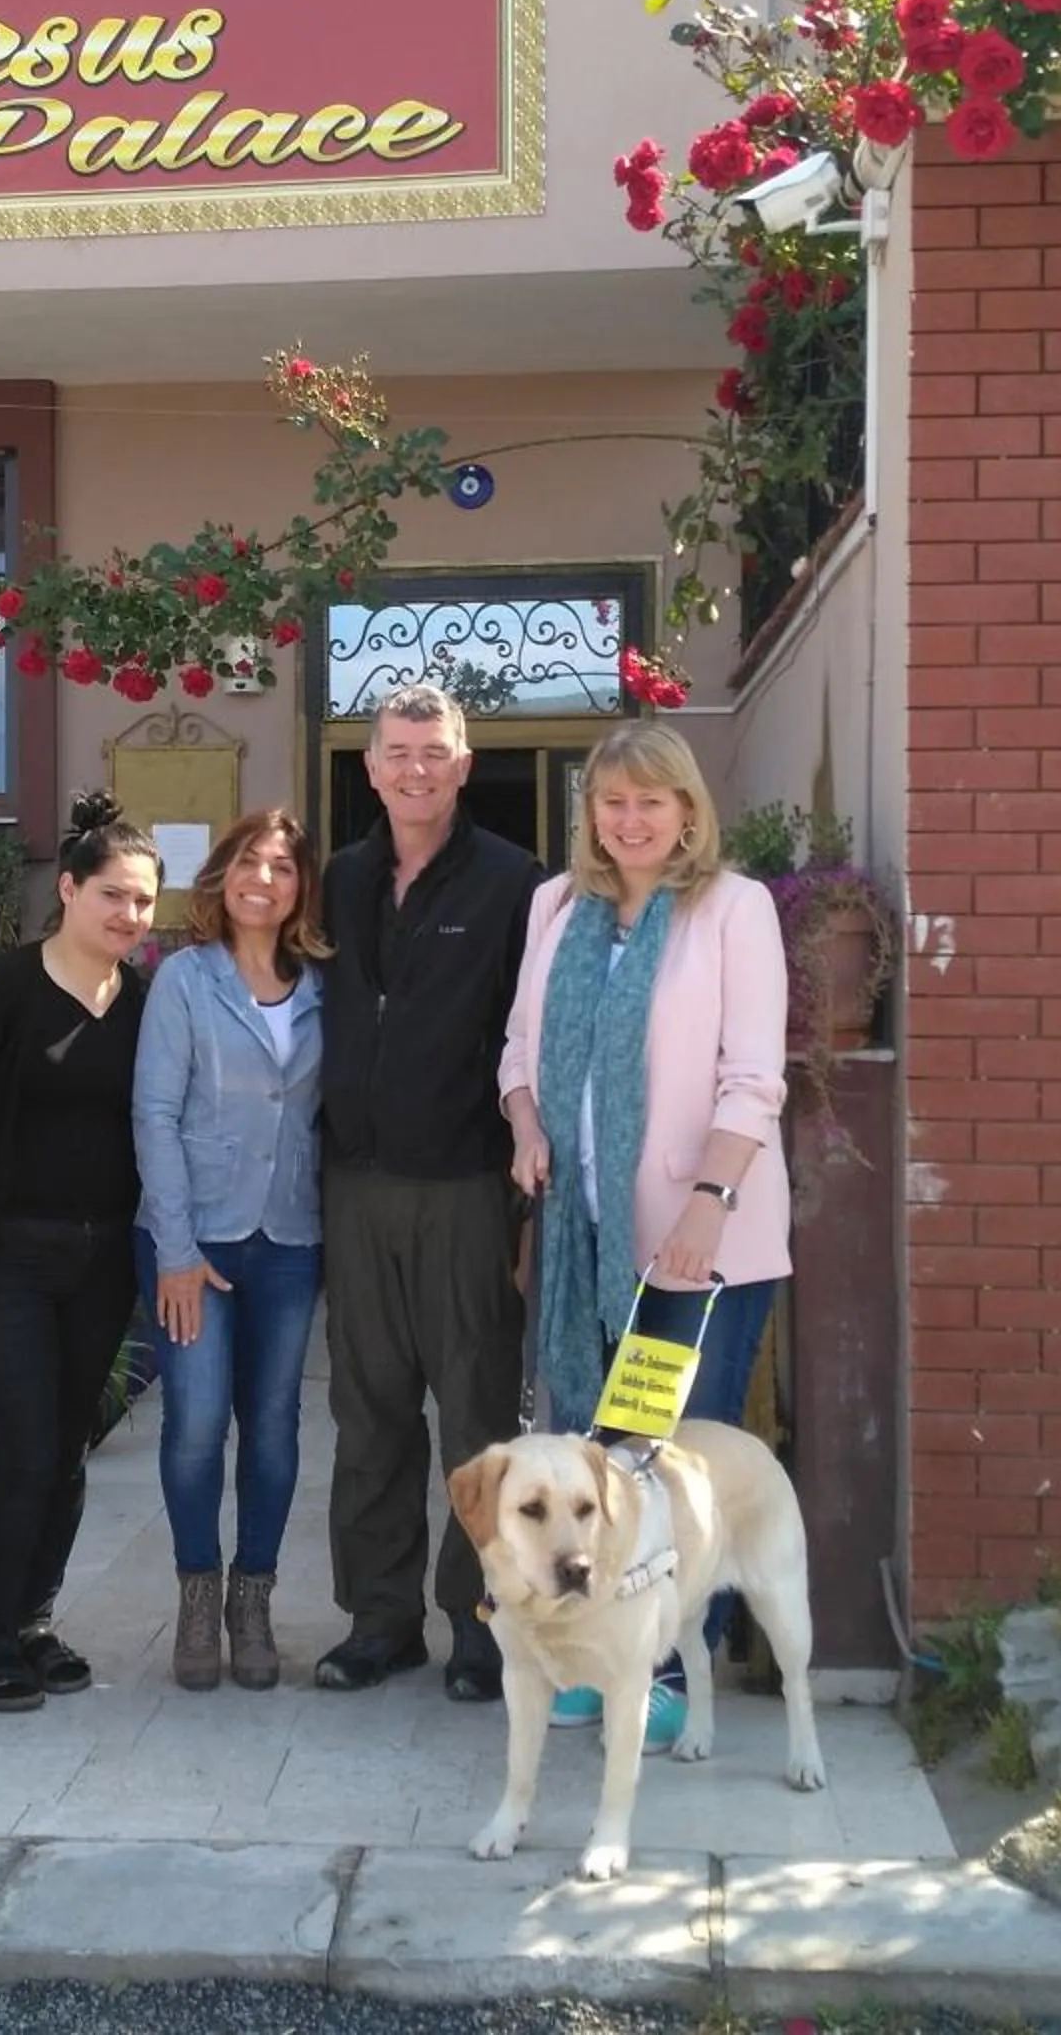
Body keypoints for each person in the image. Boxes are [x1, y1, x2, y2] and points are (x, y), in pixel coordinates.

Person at [497, 719, 793, 1755]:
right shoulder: (554, 907)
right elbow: (519, 1050)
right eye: (612, 803)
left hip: (692, 1251)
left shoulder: (733, 910)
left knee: (672, 1471)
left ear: (687, 812)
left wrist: (709, 1201)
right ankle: (596, 1658)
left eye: (650, 802)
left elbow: (754, 1078)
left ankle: (673, 1671)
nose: (630, 821)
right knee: (592, 1460)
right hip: (583, 1238)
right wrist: (527, 1126)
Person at [315, 681, 543, 1702]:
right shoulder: (343, 877)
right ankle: (381, 1619)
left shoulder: (516, 883)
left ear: (464, 763)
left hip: (465, 1188)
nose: (415, 767)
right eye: (397, 751)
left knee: (478, 1415)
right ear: (370, 767)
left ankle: (481, 1621)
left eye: (434, 751)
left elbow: (530, 1040)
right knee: (368, 1413)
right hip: (358, 1186)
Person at [0, 790, 160, 1714]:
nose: (129, 916)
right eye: (112, 895)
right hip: (3, 1258)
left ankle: (35, 1622)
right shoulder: (3, 990)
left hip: (101, 1261)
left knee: (66, 1449)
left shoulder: (144, 1001)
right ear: (67, 890)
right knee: (24, 1447)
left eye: (144, 901)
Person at [131, 807, 330, 1692]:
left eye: (283, 867)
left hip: (288, 1235)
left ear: (300, 888)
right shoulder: (184, 978)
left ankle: (253, 1601)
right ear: (222, 876)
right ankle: (197, 1596)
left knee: (275, 1429)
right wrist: (175, 1248)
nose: (265, 879)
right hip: (193, 1237)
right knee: (198, 1422)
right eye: (250, 862)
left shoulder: (325, 982)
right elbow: (155, 1113)